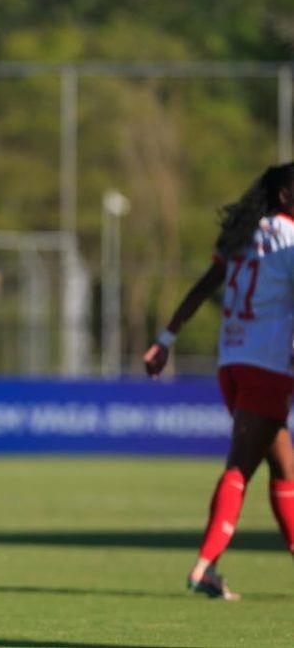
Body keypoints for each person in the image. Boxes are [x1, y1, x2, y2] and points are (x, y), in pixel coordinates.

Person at [144, 163, 294, 600]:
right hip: (267, 363)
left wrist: (165, 338)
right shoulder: (289, 236)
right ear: (284, 195)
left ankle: (209, 565)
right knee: (240, 466)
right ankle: (205, 565)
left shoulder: (243, 236)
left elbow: (203, 286)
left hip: (231, 362)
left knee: (283, 466)